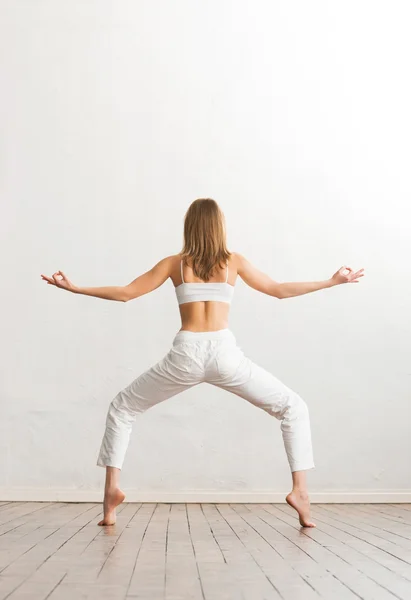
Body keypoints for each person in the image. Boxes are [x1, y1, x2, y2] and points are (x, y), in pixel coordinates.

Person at [41, 198, 364, 528]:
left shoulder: (175, 264)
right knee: (293, 408)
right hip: (224, 353)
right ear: (220, 226)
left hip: (186, 354)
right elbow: (278, 290)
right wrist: (331, 282)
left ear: (189, 227)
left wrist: (77, 288)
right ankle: (300, 491)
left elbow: (127, 293)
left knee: (123, 407)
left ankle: (111, 494)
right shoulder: (233, 262)